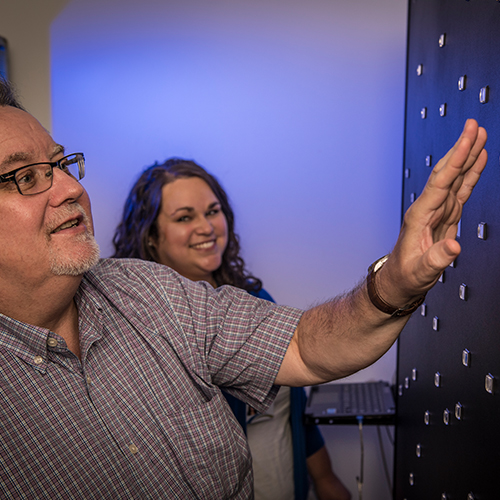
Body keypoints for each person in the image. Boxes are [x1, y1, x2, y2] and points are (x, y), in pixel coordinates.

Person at [0, 77, 488, 500]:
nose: (69, 189)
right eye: (25, 177)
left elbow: (305, 348)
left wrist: (396, 282)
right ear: (152, 233)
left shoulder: (151, 294)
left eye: (61, 165)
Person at [112, 159, 351, 500]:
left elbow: (293, 411)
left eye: (213, 211)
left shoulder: (255, 300)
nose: (206, 227)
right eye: (184, 217)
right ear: (150, 237)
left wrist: (326, 480)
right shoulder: (139, 330)